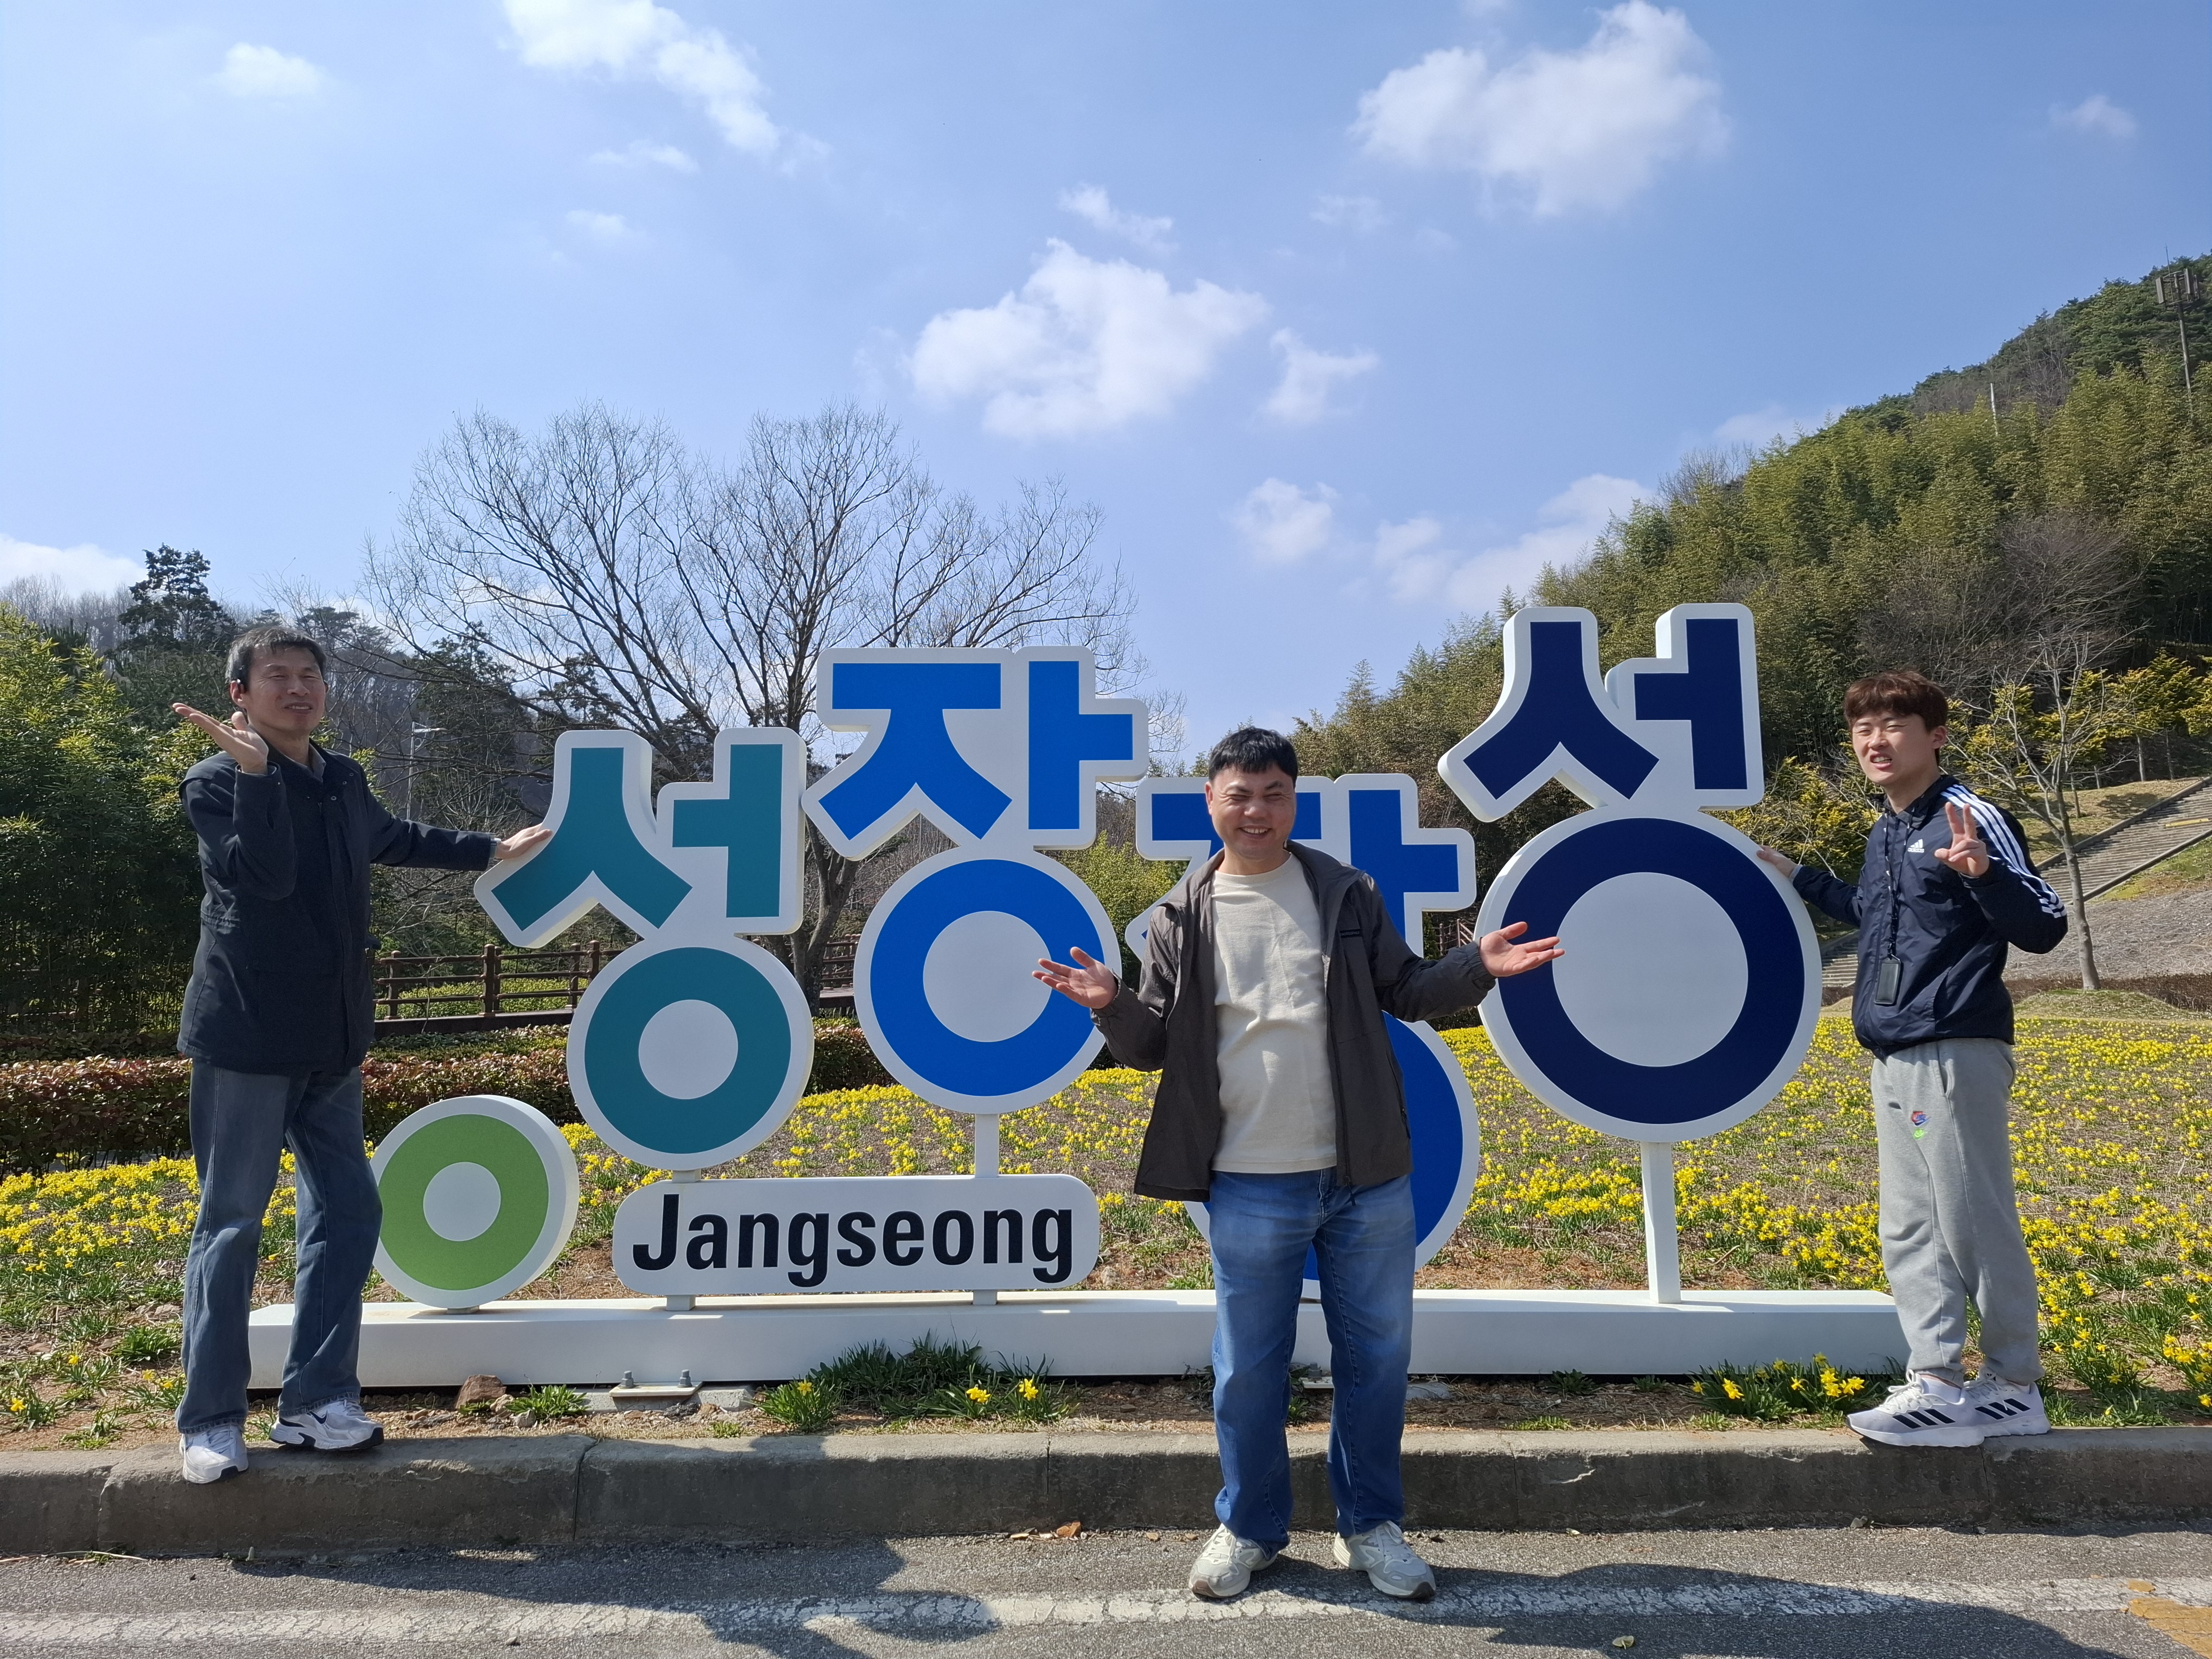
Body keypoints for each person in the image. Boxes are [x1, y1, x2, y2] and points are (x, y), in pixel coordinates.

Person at [1035, 727, 1561, 1601]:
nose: (1257, 810)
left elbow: (1407, 990)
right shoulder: (1178, 916)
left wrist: (1477, 967)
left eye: (1273, 793)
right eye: (1239, 795)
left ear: (1294, 800)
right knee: (1248, 1370)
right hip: (1247, 1179)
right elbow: (1154, 1047)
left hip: (1364, 1176)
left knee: (1375, 1364)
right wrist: (1111, 1005)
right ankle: (1249, 1528)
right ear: (1212, 802)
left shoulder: (1347, 894)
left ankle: (1371, 1527)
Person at [168, 625, 550, 1484]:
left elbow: (391, 836)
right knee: (231, 1224)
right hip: (247, 1034)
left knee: (348, 1212)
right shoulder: (218, 781)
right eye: (277, 675)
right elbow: (261, 879)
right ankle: (213, 1418)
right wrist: (258, 779)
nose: (298, 688)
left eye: (309, 674)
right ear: (240, 693)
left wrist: (491, 851)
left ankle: (316, 1402)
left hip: (332, 1036)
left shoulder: (341, 778)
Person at [1757, 670, 2066, 1448]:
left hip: (1954, 1045)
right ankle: (1936, 1382)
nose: (1875, 741)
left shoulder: (1971, 817)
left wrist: (1985, 874)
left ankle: (2013, 1384)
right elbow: (1875, 913)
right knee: (1910, 1226)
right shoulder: (1888, 831)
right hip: (1896, 1050)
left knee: (1972, 1220)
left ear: (1936, 736)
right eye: (1863, 729)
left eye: (1894, 725)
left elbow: (2045, 923)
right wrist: (1797, 877)